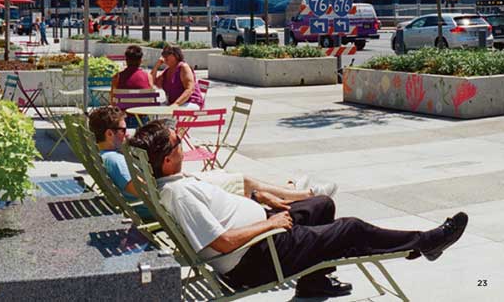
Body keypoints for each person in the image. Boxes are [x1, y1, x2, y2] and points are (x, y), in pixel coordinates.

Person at [128, 120, 469, 299]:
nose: (184, 144)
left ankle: (313, 283)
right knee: (349, 229)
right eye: (178, 142)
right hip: (257, 258)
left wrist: (262, 201)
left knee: (321, 204)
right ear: (168, 159)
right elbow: (222, 242)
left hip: (264, 238)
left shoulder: (174, 184)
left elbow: (222, 216)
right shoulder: (181, 194)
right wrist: (268, 223)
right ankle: (424, 242)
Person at [88, 107, 338, 221]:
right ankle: (304, 194)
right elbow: (140, 189)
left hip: (168, 190)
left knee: (231, 176)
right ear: (109, 134)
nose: (127, 132)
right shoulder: (113, 159)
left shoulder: (107, 156)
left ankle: (291, 189)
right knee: (241, 179)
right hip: (168, 198)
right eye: (122, 129)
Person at [151, 45, 203, 109]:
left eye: (167, 53)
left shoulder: (183, 67)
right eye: (163, 53)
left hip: (189, 102)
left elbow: (190, 89)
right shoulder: (167, 70)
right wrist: (156, 66)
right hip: (173, 104)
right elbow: (152, 82)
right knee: (153, 110)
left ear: (176, 55)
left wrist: (175, 104)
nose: (164, 56)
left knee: (165, 115)